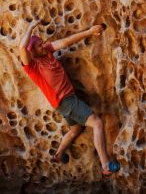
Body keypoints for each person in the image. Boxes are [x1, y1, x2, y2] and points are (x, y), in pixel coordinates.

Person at [19, 20, 120, 176]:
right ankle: (106, 165)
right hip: (67, 101)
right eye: (39, 45)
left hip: (64, 103)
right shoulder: (33, 67)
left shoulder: (47, 51)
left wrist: (89, 31)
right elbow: (21, 48)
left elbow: (66, 41)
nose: (44, 44)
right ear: (32, 52)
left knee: (76, 129)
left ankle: (58, 155)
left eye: (42, 42)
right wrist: (31, 28)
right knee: (97, 123)